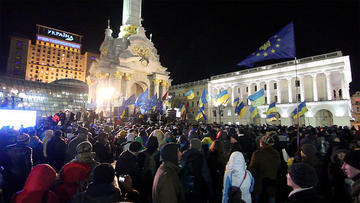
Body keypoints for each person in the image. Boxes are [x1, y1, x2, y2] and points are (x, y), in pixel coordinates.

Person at [1, 133, 33, 202]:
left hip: (8, 176)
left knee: (7, 196)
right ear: (26, 140)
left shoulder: (7, 148)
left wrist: (4, 172)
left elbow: (2, 162)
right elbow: (28, 165)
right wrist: (29, 177)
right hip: (21, 177)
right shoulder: (27, 150)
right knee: (18, 196)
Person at [248, 135, 280, 203]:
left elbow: (252, 168)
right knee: (271, 197)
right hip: (272, 181)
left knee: (258, 198)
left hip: (260, 183)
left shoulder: (258, 154)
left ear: (261, 143)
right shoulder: (276, 153)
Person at [180, 138, 212, 202]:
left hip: (186, 187)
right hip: (199, 187)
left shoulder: (184, 155)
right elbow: (205, 174)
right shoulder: (201, 157)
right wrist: (210, 191)